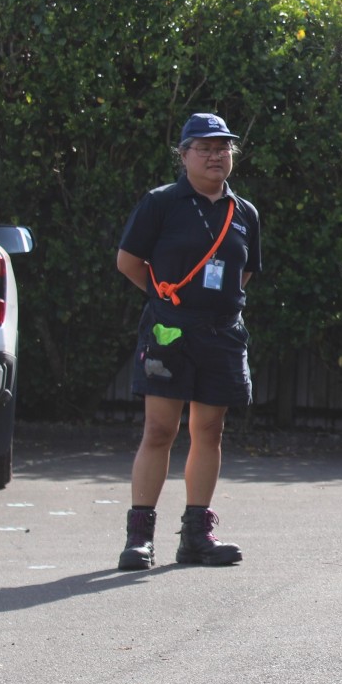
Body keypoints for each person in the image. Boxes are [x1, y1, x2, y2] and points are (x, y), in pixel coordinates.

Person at [114, 113, 262, 570]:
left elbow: (245, 273)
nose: (217, 155)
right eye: (205, 147)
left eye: (224, 148)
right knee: (159, 431)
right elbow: (129, 261)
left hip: (221, 335)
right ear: (183, 155)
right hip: (169, 333)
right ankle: (140, 538)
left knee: (209, 431)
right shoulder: (161, 203)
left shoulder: (244, 213)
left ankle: (196, 536)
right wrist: (169, 304)